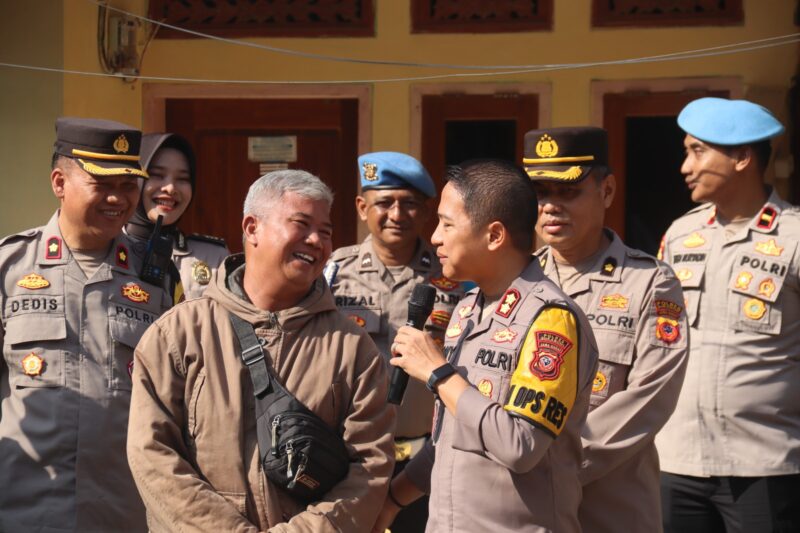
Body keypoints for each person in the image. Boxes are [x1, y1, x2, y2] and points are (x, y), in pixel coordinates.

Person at [127, 169, 396, 531]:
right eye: (301, 224)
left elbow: (369, 469)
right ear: (252, 228)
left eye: (326, 231)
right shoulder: (178, 334)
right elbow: (153, 456)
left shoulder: (352, 348)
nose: (316, 240)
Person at [372, 159, 599, 533]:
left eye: (447, 224)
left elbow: (519, 446)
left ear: (494, 235)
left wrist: (438, 373)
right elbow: (452, 437)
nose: (435, 238)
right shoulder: (467, 309)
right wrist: (393, 500)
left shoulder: (551, 319)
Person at [0, 118, 178, 532]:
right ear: (59, 182)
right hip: (23, 511)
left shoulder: (158, 278)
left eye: (127, 184)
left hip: (125, 512)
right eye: (102, 184)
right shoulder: (8, 269)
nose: (118, 198)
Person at [525, 126, 689, 532]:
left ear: (608, 191)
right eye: (542, 193)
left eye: (568, 193)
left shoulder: (650, 282)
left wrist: (555, 465)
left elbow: (651, 396)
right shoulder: (517, 278)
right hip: (525, 509)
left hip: (609, 507)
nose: (550, 207)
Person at [655, 97, 800, 532]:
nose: (685, 166)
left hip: (766, 462)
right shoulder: (681, 235)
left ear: (741, 157)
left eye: (698, 151)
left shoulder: (794, 237)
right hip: (676, 459)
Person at [325, 151, 465, 532]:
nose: (397, 215)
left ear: (426, 211)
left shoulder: (455, 274)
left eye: (409, 204)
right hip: (350, 455)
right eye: (384, 203)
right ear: (361, 207)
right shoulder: (335, 273)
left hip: (428, 458)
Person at [125, 132, 229, 300]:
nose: (170, 188)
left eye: (183, 178)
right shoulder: (105, 249)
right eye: (157, 175)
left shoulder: (213, 257)